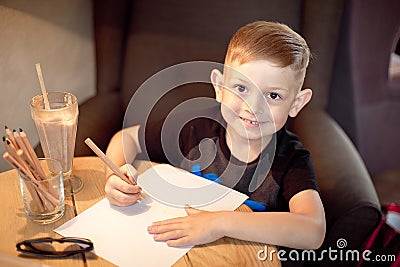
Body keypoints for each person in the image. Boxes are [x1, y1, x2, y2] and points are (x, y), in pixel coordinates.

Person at [104, 21, 326, 250]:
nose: (254, 106)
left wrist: (221, 222)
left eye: (273, 95)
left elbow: (313, 231)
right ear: (219, 87)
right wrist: (115, 176)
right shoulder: (195, 127)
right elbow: (127, 138)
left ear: (296, 103)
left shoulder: (291, 160)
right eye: (241, 88)